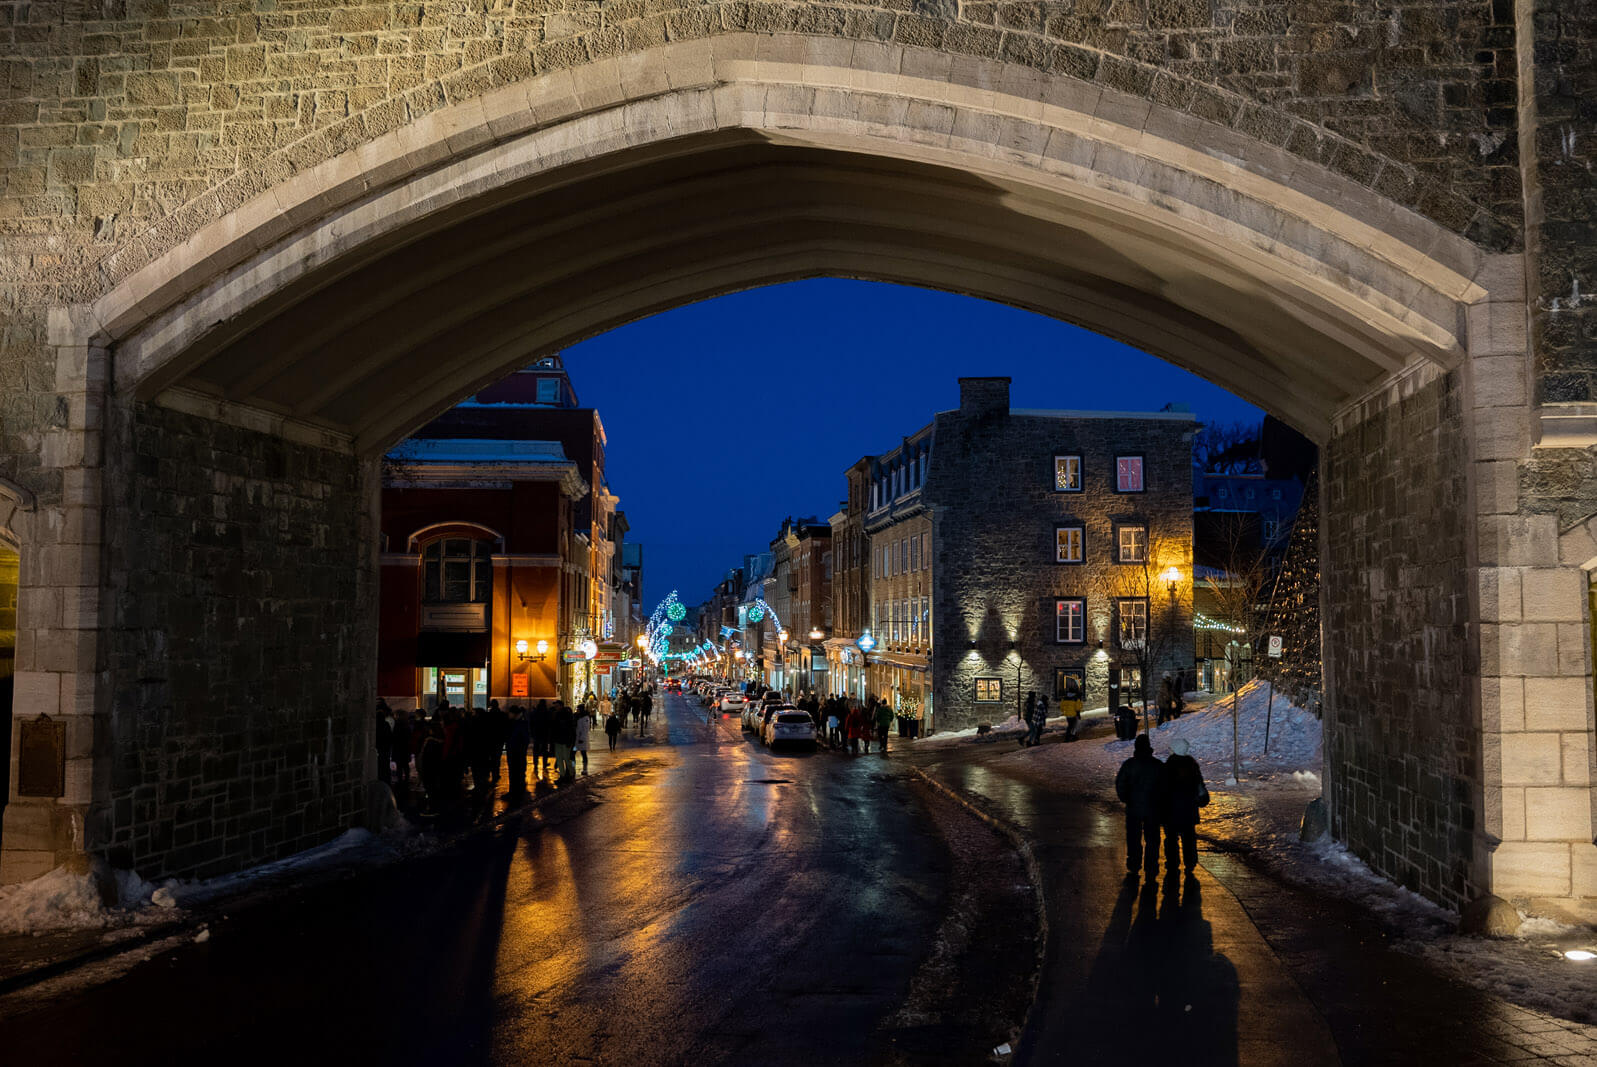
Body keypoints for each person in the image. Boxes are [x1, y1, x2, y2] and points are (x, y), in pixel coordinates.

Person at [1114, 734, 1165, 876]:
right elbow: (1164, 786)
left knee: (1133, 837)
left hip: (1134, 808)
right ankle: (1151, 866)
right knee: (1152, 838)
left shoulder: (1129, 764)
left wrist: (1125, 798)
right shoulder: (1157, 765)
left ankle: (1134, 863)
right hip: (1153, 808)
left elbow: (1120, 784)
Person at [1161, 737, 1208, 873]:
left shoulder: (1168, 766)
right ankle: (1190, 862)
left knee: (1171, 839)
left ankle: (1172, 862)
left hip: (1171, 810)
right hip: (1189, 809)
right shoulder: (1192, 766)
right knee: (1189, 838)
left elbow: (1162, 789)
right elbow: (1200, 786)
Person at [505, 705, 530, 796]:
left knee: (516, 773)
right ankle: (514, 792)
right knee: (514, 773)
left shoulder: (520, 724)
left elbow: (525, 740)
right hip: (514, 752)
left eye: (510, 713)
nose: (508, 714)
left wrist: (520, 750)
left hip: (517, 753)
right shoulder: (515, 722)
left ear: (514, 714)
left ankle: (516, 793)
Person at [552, 701, 576, 782]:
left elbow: (571, 728)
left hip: (566, 740)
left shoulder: (567, 715)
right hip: (558, 740)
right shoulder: (555, 714)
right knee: (559, 758)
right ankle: (562, 775)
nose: (556, 707)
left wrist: (571, 740)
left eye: (557, 706)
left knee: (566, 758)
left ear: (561, 706)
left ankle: (571, 772)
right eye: (555, 706)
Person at [530, 699, 552, 777]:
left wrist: (532, 732)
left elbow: (531, 723)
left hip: (537, 733)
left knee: (536, 749)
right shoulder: (547, 712)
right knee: (544, 750)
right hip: (545, 734)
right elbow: (550, 724)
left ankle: (535, 764)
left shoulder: (535, 712)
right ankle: (544, 764)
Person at [374, 700, 393, 784]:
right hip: (386, 747)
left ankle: (381, 778)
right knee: (385, 764)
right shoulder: (386, 724)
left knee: (381, 765)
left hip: (380, 747)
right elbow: (389, 735)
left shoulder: (376, 725)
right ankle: (386, 779)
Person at [574, 701, 592, 775]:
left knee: (583, 754)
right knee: (572, 754)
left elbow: (585, 729)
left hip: (582, 740)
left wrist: (581, 738)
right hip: (576, 739)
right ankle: (572, 768)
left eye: (578, 709)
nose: (577, 710)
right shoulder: (576, 716)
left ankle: (585, 769)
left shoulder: (585, 718)